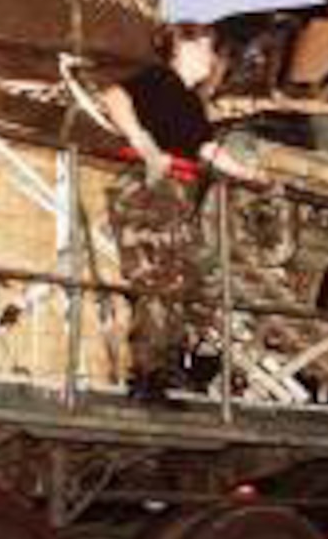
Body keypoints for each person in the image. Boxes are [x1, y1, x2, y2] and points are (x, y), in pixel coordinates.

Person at [101, 21, 262, 400]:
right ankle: (148, 374)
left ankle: (167, 365)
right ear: (187, 48)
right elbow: (113, 97)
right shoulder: (158, 79)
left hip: (176, 191)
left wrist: (250, 174)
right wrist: (144, 143)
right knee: (160, 278)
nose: (211, 58)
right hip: (152, 187)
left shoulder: (189, 101)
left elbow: (206, 149)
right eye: (207, 48)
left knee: (178, 276)